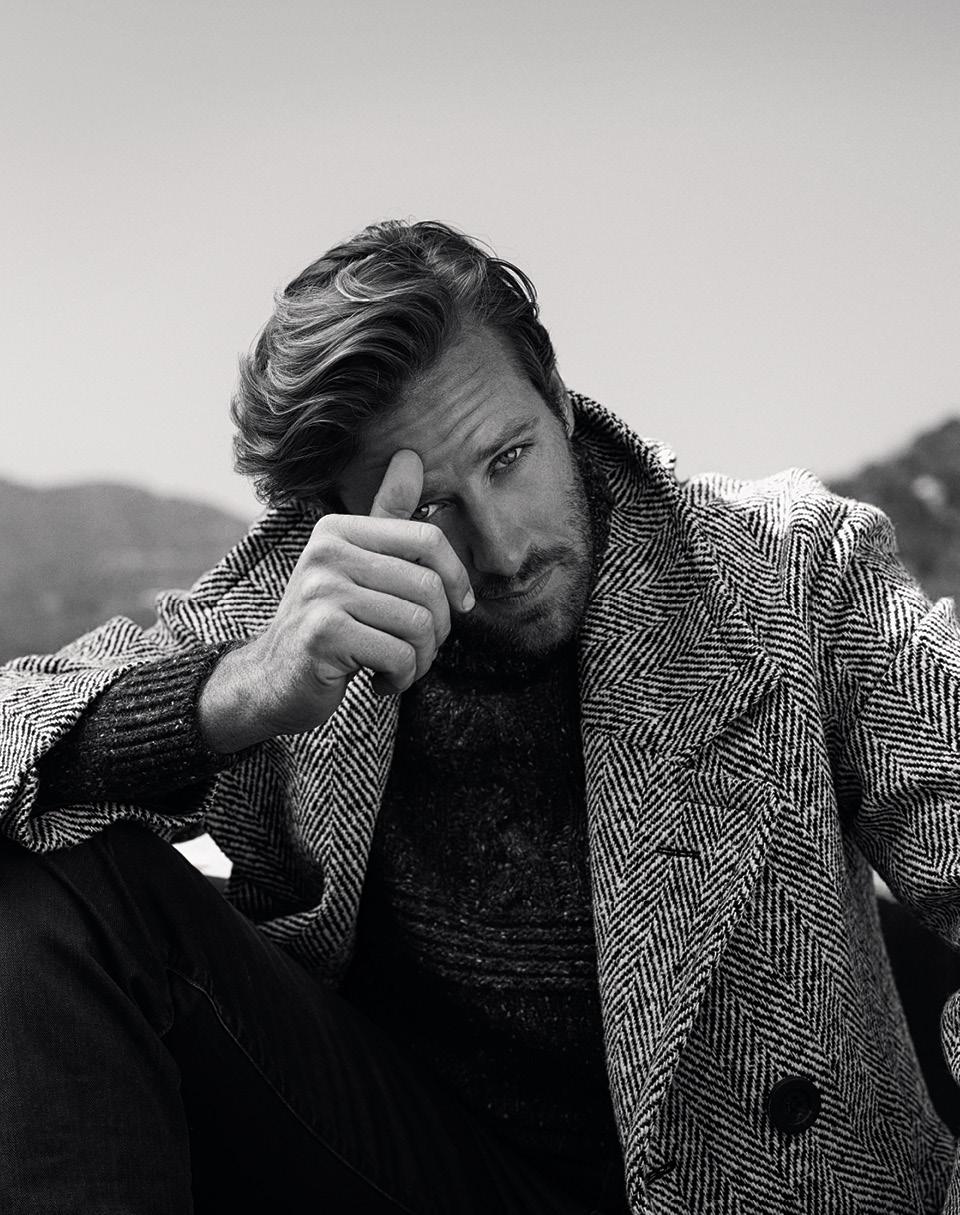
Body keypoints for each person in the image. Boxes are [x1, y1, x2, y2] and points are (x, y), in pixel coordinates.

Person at [0, 220, 958, 1215]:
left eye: (509, 458)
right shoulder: (297, 618)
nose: (502, 550)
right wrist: (238, 692)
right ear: (338, 513)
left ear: (558, 398)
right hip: (428, 1172)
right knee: (47, 888)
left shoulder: (790, 571)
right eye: (432, 506)